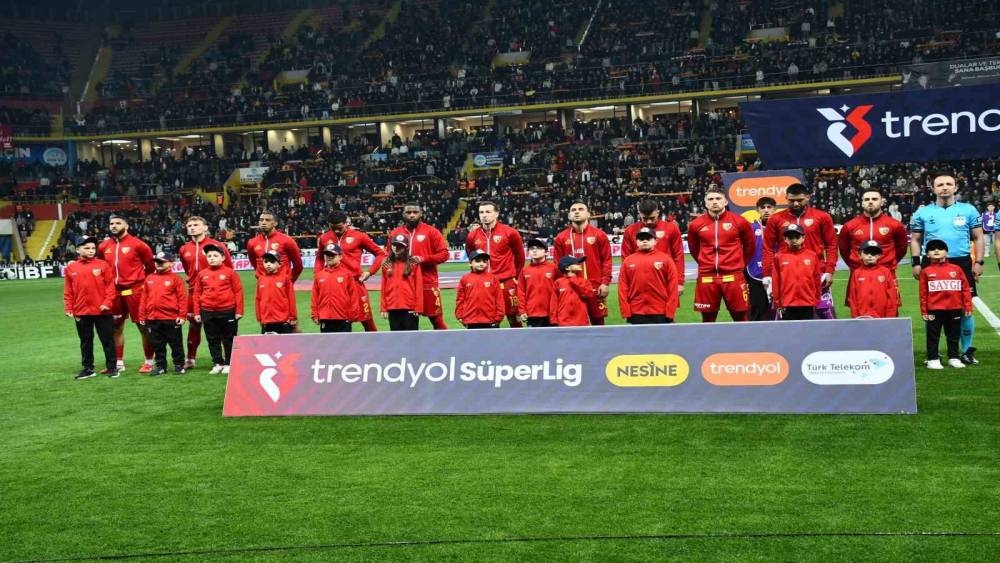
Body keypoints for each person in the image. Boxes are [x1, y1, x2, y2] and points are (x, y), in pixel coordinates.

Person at [909, 171, 985, 365]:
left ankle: (965, 351)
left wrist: (979, 262)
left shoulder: (969, 210)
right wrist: (916, 262)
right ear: (933, 188)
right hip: (931, 263)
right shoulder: (922, 213)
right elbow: (915, 239)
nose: (944, 187)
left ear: (955, 187)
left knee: (965, 307)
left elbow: (978, 237)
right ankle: (933, 352)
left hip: (961, 262)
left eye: (948, 184)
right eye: (940, 184)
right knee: (932, 308)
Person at [761, 183, 838, 314]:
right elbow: (768, 248)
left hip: (817, 274)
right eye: (792, 200)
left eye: (800, 200)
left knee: (825, 314)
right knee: (786, 314)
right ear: (786, 198)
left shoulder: (822, 217)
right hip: (786, 275)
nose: (796, 203)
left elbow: (831, 245)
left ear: (807, 197)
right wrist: (767, 275)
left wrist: (829, 270)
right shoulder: (775, 219)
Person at [686, 187, 755, 322]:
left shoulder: (739, 221)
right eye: (710, 199)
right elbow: (694, 249)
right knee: (708, 318)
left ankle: (744, 338)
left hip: (733, 275)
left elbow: (750, 247)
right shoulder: (695, 224)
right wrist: (706, 263)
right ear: (706, 203)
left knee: (740, 316)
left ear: (725, 201)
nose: (714, 202)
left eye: (718, 198)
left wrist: (738, 264)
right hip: (707, 276)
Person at [98, 214, 155, 373]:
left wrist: (143, 283)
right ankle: (118, 363)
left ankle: (149, 362)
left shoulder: (138, 245)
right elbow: (100, 264)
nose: (114, 226)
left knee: (143, 326)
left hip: (135, 291)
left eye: (118, 223)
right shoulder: (103, 246)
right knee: (115, 327)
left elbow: (151, 266)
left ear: (126, 226)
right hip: (114, 292)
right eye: (111, 223)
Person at [315, 211, 386, 332]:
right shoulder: (324, 238)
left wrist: (370, 272)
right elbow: (320, 258)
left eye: (339, 227)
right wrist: (318, 274)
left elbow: (380, 253)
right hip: (334, 285)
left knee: (367, 319)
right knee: (337, 319)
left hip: (355, 282)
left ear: (346, 223)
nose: (336, 231)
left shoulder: (359, 236)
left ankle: (376, 342)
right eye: (333, 228)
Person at [838, 190, 908, 308]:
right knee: (859, 311)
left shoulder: (894, 225)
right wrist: (856, 264)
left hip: (887, 273)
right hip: (858, 274)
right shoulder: (849, 226)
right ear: (862, 203)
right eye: (867, 199)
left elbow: (902, 248)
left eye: (874, 199)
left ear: (882, 202)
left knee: (890, 310)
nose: (870, 202)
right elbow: (844, 250)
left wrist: (888, 262)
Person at [178, 215, 233, 369]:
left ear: (205, 227)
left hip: (215, 292)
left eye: (196, 225)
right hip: (193, 292)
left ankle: (226, 359)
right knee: (194, 325)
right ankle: (190, 359)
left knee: (220, 326)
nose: (192, 228)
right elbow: (187, 269)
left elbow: (229, 269)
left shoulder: (217, 246)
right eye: (189, 225)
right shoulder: (184, 249)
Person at [386, 204, 448, 329]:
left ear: (421, 214)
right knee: (405, 321)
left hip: (427, 283)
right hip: (404, 285)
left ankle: (447, 342)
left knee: (436, 319)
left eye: (415, 212)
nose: (412, 215)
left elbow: (444, 254)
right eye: (408, 212)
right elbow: (388, 255)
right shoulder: (395, 233)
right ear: (403, 214)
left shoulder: (431, 231)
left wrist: (423, 259)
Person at [64, 236, 117, 379]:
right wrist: (69, 308)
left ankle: (112, 368)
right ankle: (88, 368)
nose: (91, 250)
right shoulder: (71, 268)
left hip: (102, 310)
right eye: (87, 248)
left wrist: (107, 303)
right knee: (85, 341)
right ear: (78, 249)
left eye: (93, 248)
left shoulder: (103, 265)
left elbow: (111, 287)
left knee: (107, 340)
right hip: (81, 311)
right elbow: (68, 290)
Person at [465, 201, 525, 327]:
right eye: (481, 212)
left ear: (496, 214)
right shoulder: (472, 236)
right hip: (484, 283)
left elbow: (520, 257)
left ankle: (519, 340)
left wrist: (515, 276)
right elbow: (471, 255)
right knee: (489, 319)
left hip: (506, 282)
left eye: (488, 212)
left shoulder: (510, 232)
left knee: (514, 317)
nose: (484, 215)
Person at [552, 201, 612, 325]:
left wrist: (605, 283)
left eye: (581, 209)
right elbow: (558, 264)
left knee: (598, 323)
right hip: (571, 289)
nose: (577, 212)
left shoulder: (599, 235)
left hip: (595, 287)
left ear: (588, 214)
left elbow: (606, 261)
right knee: (572, 324)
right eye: (573, 210)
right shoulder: (561, 238)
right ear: (569, 215)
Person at [919, 239, 972, 370]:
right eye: (932, 249)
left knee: (954, 335)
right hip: (934, 310)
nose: (936, 250)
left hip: (954, 309)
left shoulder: (956, 269)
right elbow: (923, 294)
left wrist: (968, 306)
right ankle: (933, 359)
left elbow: (965, 289)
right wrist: (924, 311)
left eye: (940, 248)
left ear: (947, 252)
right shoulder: (926, 271)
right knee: (933, 336)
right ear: (927, 254)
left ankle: (954, 358)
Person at [193, 244, 243, 374]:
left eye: (215, 256)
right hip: (207, 311)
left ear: (223, 258)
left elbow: (238, 291)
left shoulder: (230, 272)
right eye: (209, 256)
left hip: (227, 310)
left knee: (229, 338)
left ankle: (229, 363)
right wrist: (197, 312)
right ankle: (217, 363)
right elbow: (197, 293)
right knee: (212, 339)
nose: (212, 258)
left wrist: (239, 311)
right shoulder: (202, 274)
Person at [621, 199, 685, 298]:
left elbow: (678, 255)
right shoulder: (630, 231)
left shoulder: (671, 228)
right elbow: (626, 258)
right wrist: (627, 282)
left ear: (658, 212)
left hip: (665, 279)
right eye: (645, 218)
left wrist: (679, 281)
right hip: (638, 281)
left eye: (652, 218)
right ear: (639, 214)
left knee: (666, 308)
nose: (648, 222)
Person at [138, 251, 187, 376]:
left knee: (175, 343)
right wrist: (142, 315)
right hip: (153, 318)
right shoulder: (149, 278)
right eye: (156, 262)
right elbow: (144, 298)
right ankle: (161, 366)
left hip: (171, 318)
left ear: (171, 263)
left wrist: (182, 315)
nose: (158, 264)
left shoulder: (176, 278)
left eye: (161, 262)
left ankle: (179, 365)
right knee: (157, 344)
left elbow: (182, 298)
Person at [618, 227, 679, 324]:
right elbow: (623, 287)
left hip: (660, 311)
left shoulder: (666, 259)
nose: (645, 241)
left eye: (648, 238)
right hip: (636, 311)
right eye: (641, 239)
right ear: (636, 242)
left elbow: (673, 287)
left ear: (655, 241)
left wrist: (670, 311)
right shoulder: (628, 261)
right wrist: (626, 310)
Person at [772, 224, 821, 321]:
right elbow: (776, 281)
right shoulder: (779, 257)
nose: (794, 240)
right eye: (790, 237)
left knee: (807, 329)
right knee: (790, 330)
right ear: (785, 239)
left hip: (808, 303)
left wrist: (816, 300)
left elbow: (816, 279)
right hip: (788, 303)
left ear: (803, 238)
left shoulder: (812, 256)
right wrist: (778, 302)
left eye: (797, 237)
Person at [380, 234, 423, 331]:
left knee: (411, 338)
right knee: (396, 338)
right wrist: (383, 308)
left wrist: (419, 307)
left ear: (406, 247)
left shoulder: (413, 263)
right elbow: (383, 287)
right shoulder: (386, 264)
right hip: (392, 307)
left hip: (409, 307)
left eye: (400, 246)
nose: (396, 248)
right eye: (394, 245)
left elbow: (419, 286)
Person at [246, 211, 303, 281]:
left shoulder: (287, 240)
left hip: (282, 285)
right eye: (261, 220)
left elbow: (298, 266)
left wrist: (288, 281)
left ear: (275, 223)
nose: (263, 223)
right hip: (262, 284)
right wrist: (260, 276)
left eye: (267, 220)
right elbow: (254, 263)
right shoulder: (252, 242)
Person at [848, 241, 899, 318]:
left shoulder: (886, 272)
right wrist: (856, 317)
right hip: (862, 316)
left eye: (874, 253)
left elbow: (892, 297)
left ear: (879, 255)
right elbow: (853, 298)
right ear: (860, 255)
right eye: (866, 253)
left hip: (882, 316)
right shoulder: (856, 273)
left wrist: (889, 318)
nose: (870, 256)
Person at [311, 244, 356, 333]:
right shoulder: (319, 275)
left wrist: (352, 315)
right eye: (327, 254)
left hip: (343, 318)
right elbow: (315, 297)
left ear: (340, 256)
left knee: (344, 342)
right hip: (325, 317)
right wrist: (315, 314)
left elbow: (353, 296)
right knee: (326, 342)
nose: (329, 257)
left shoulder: (347, 274)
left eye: (332, 255)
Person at [455, 250, 505, 329]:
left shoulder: (493, 279)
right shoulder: (465, 279)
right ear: (470, 263)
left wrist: (499, 316)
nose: (481, 264)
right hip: (471, 320)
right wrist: (459, 316)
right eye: (478, 261)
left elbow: (499, 299)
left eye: (484, 261)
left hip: (490, 320)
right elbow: (460, 299)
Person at [746, 196, 776, 321]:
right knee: (757, 309)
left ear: (774, 209)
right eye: (763, 208)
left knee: (777, 309)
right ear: (757, 210)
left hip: (777, 273)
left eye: (769, 207)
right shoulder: (750, 228)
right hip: (754, 273)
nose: (766, 210)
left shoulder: (781, 228)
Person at [517, 238, 558, 327]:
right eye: (532, 248)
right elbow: (521, 292)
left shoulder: (554, 268)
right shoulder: (524, 271)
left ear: (546, 252)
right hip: (532, 314)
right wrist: (522, 311)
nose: (534, 250)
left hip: (552, 313)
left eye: (539, 248)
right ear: (528, 252)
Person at [256, 251, 297, 334]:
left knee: (285, 343)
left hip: (282, 321)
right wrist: (259, 318)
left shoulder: (285, 278)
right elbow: (258, 299)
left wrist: (292, 317)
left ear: (279, 264)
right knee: (267, 343)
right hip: (266, 321)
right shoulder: (261, 279)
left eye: (272, 262)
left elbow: (291, 298)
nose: (268, 264)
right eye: (266, 262)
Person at [553, 256, 596, 327]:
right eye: (576, 263)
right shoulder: (558, 282)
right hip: (564, 322)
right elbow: (554, 303)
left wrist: (573, 279)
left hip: (582, 321)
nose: (579, 264)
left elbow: (588, 294)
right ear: (567, 268)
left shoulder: (584, 281)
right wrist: (554, 320)